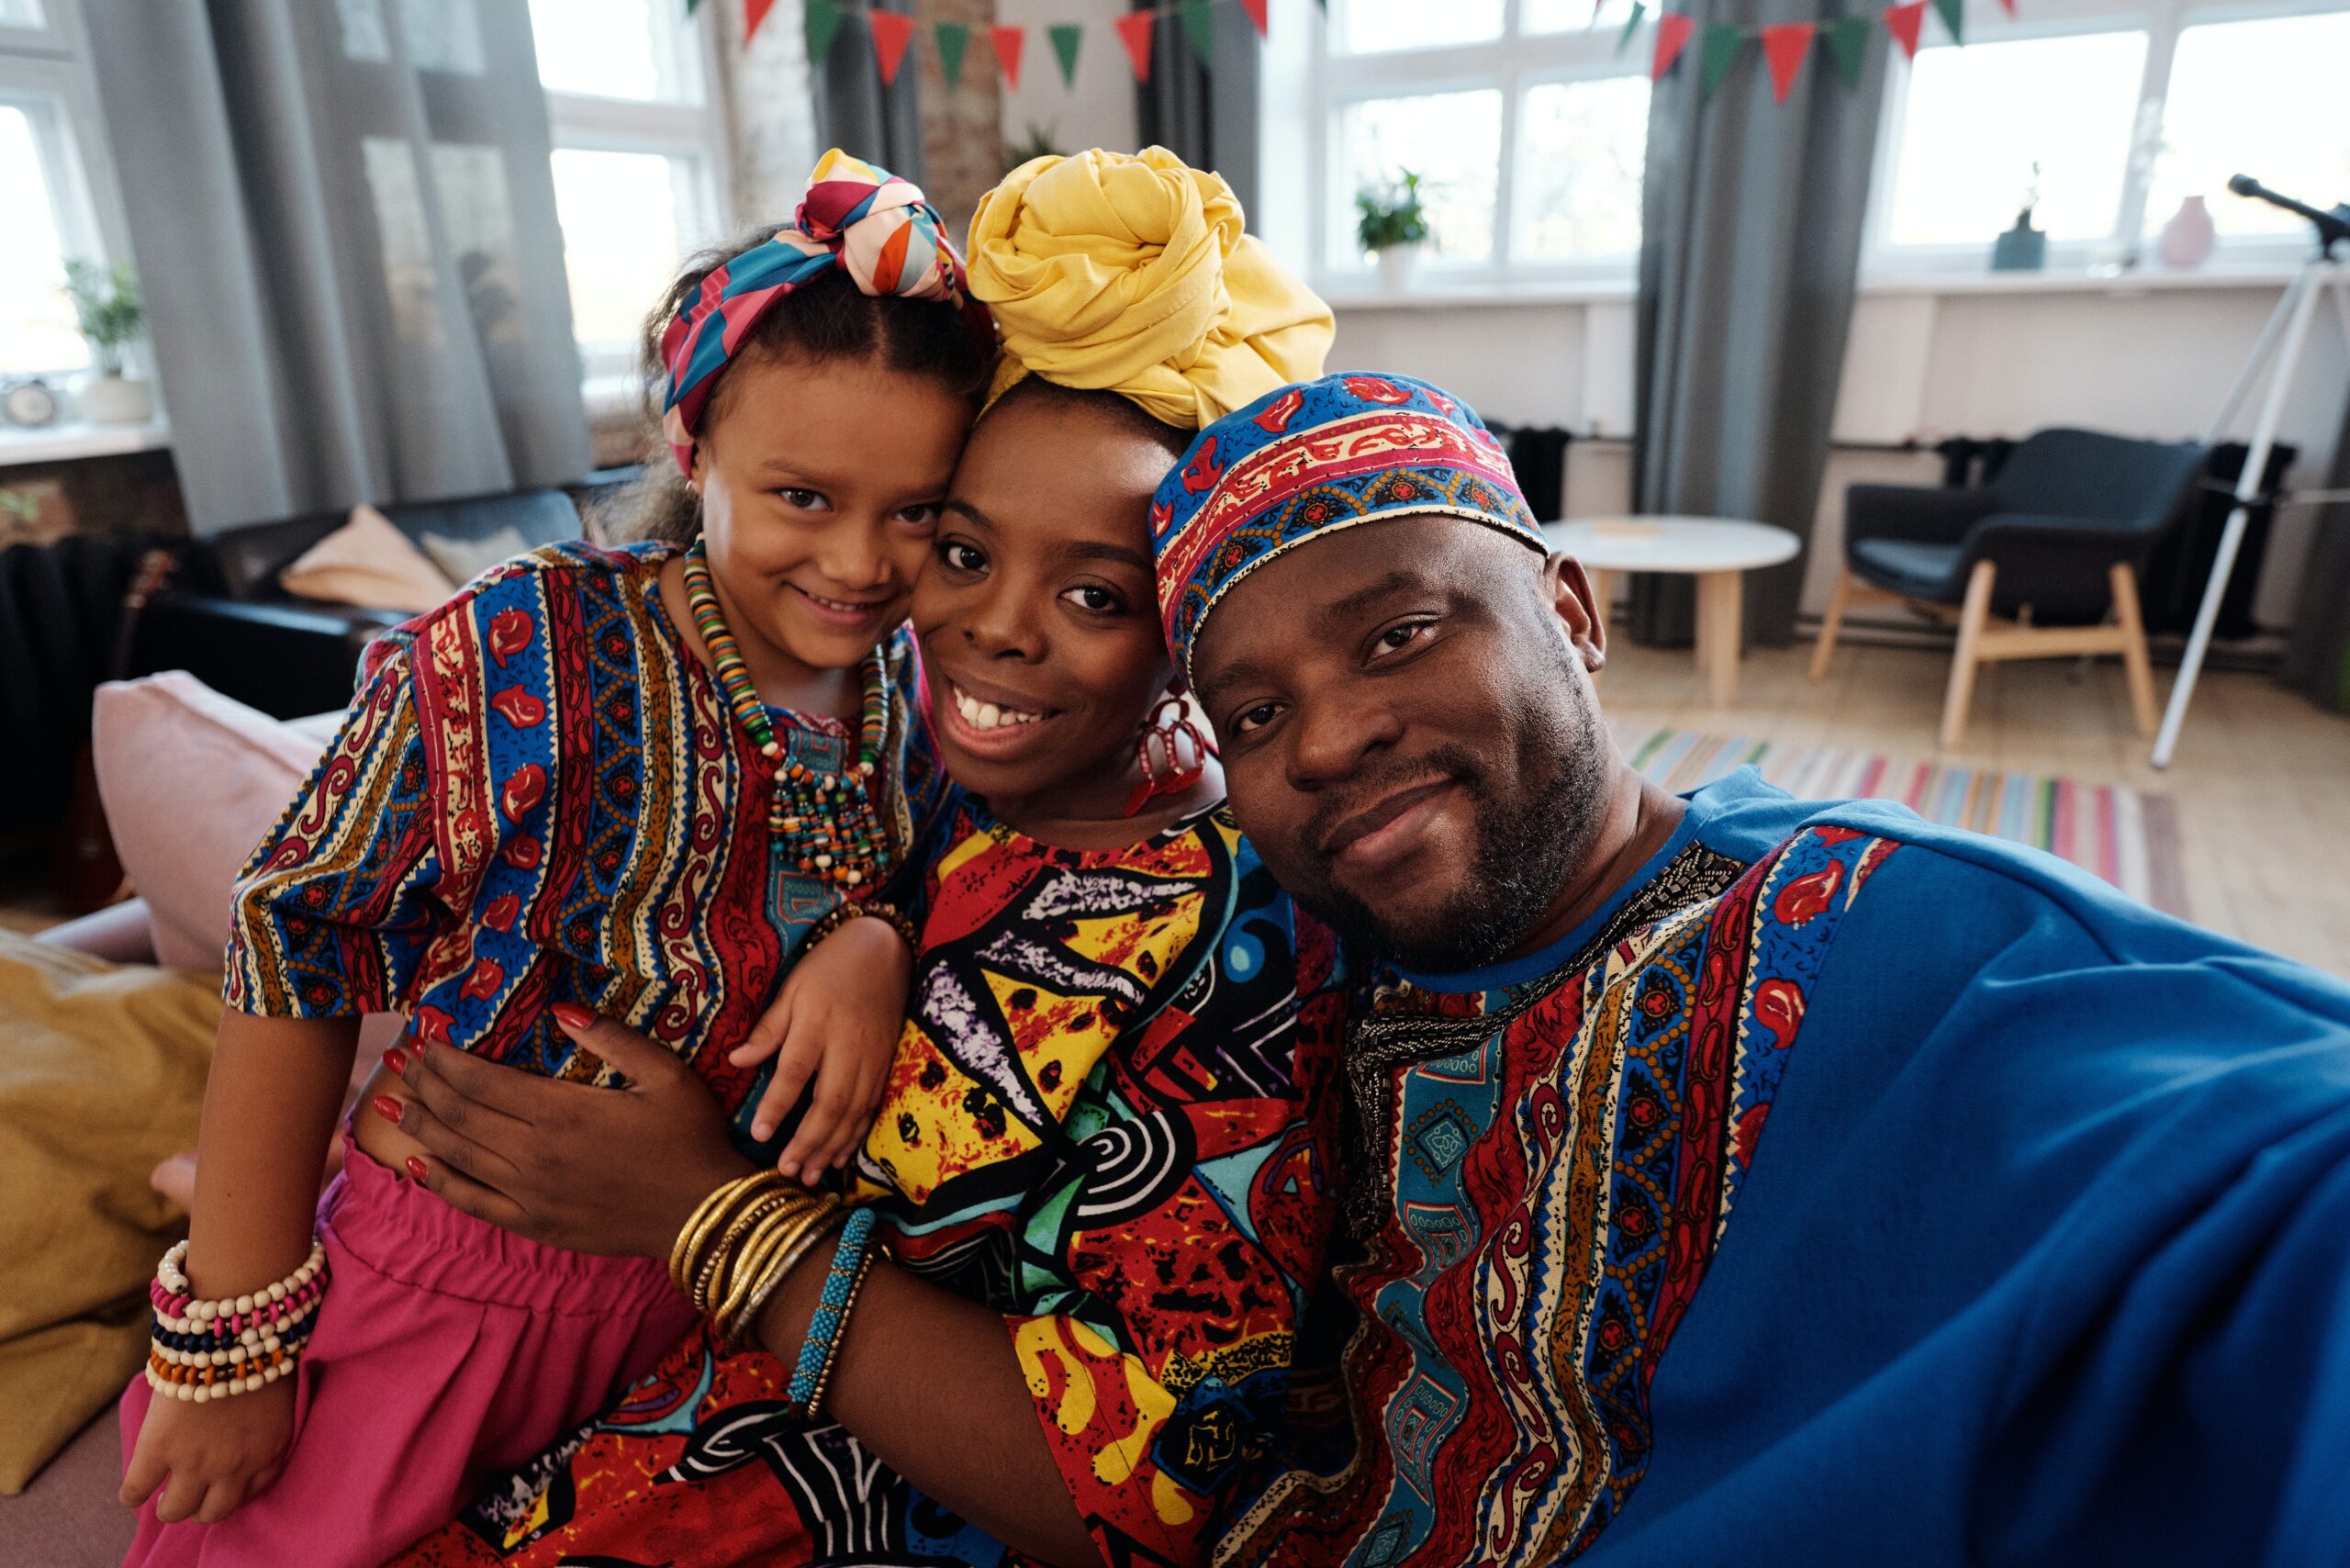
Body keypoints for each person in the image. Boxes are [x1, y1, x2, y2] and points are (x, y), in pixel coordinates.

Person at [1155, 371, 2350, 1566]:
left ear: (1573, 616)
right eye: (1252, 717)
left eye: (1398, 638)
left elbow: (2286, 1171)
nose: (1322, 740)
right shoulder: (1288, 962)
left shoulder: (1908, 935)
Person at [382, 146, 1343, 1568]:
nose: (995, 628)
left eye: (1094, 591)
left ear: (1195, 618)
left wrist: (708, 1215)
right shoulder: (901, 760)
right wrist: (877, 929)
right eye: (960, 552)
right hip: (574, 1376)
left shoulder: (1244, 947)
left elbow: (1157, 1494)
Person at [115, 150, 994, 1567]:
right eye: (803, 498)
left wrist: (874, 940)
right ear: (693, 453)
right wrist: (233, 1333)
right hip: (454, 1287)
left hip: (712, 1293)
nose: (865, 562)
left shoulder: (925, 685)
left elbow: (952, 875)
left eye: (920, 513)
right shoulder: (532, 641)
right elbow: (300, 932)